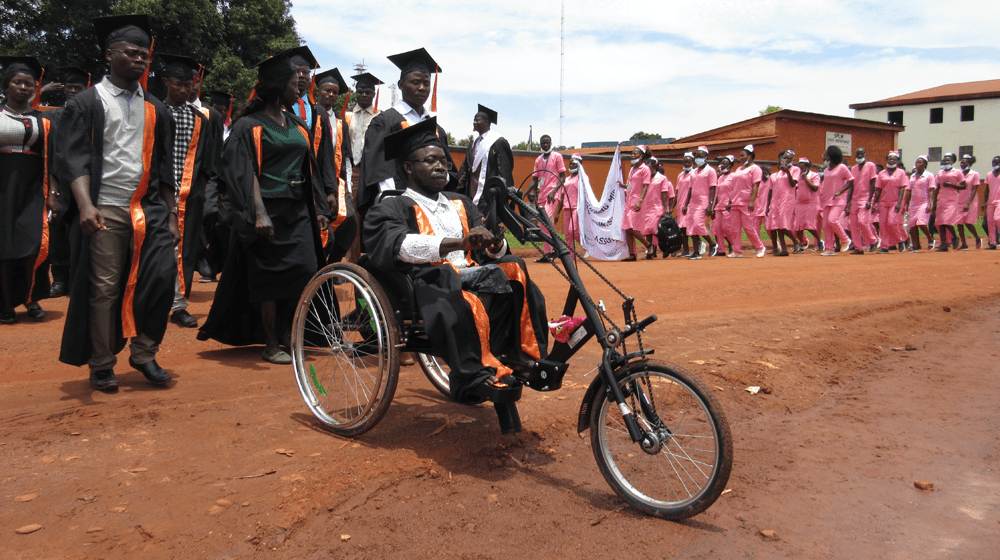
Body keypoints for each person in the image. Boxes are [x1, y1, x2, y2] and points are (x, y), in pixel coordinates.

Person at [363, 117, 548, 432]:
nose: (441, 166)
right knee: (458, 288)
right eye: (430, 160)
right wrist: (458, 243)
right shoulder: (392, 207)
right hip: (430, 280)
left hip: (471, 272)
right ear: (408, 167)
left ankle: (523, 355)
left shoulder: (459, 202)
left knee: (514, 266)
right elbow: (400, 246)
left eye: (443, 160)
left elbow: (486, 252)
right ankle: (473, 374)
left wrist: (495, 242)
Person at [56, 15, 177, 391]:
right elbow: (73, 159)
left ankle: (143, 353)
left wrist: (171, 214)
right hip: (105, 208)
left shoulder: (157, 108)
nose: (140, 59)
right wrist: (85, 205)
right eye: (131, 52)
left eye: (145, 54)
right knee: (105, 287)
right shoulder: (86, 103)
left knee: (161, 277)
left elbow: (164, 168)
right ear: (110, 54)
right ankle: (102, 362)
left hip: (149, 207)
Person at [197, 51, 332, 364]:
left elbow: (307, 169)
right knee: (268, 280)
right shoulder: (249, 126)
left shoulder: (297, 124)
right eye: (293, 80)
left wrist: (321, 209)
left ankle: (288, 332)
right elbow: (245, 173)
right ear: (275, 85)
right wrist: (258, 212)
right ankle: (271, 342)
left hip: (297, 212)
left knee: (304, 269)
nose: (300, 83)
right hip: (266, 212)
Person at [358, 48, 457, 217]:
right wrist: (393, 204)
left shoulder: (436, 129)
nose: (422, 88)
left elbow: (449, 170)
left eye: (426, 84)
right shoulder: (385, 122)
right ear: (401, 85)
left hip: (433, 206)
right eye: (416, 82)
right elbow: (380, 172)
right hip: (400, 204)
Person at [157, 54, 217, 329]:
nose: (183, 90)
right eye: (178, 84)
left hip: (188, 193)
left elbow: (206, 162)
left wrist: (199, 195)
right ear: (167, 82)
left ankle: (179, 304)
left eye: (188, 85)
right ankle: (152, 301)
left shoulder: (200, 120)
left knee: (185, 250)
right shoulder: (154, 111)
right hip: (153, 193)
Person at [0, 56, 52, 324]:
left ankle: (31, 298)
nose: (23, 87)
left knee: (33, 244)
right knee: (4, 249)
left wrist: (53, 191)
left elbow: (51, 157)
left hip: (33, 188)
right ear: (7, 86)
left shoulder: (43, 121)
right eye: (17, 82)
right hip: (3, 189)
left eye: (29, 84)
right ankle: (6, 304)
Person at [45, 66, 91, 298]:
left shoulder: (91, 115)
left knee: (80, 233)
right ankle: (60, 279)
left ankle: (76, 280)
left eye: (79, 87)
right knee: (58, 234)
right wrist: (52, 189)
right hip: (59, 182)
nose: (74, 91)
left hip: (83, 183)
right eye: (70, 87)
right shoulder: (50, 117)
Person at [311, 66, 357, 263]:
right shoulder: (311, 115)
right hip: (315, 176)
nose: (330, 94)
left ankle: (334, 260)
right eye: (326, 90)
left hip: (337, 178)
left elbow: (345, 154)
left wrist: (347, 183)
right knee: (321, 220)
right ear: (317, 91)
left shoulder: (340, 122)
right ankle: (318, 261)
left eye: (334, 92)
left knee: (351, 220)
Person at [456, 104, 513, 235]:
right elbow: (465, 169)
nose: (474, 122)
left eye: (477, 120)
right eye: (474, 120)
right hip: (471, 195)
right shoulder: (473, 144)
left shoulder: (497, 142)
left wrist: (503, 197)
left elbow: (504, 170)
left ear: (486, 122)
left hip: (488, 196)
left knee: (491, 232)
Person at [527, 134, 566, 262]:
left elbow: (562, 177)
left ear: (550, 143)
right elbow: (534, 180)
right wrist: (523, 193)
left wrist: (554, 191)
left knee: (546, 220)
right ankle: (549, 253)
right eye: (542, 143)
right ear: (540, 144)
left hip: (552, 194)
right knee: (543, 224)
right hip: (542, 194)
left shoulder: (557, 157)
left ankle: (556, 249)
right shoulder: (538, 160)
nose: (545, 145)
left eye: (547, 142)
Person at [725, 145, 766, 258]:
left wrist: (752, 201)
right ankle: (737, 251)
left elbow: (756, 185)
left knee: (748, 227)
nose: (740, 157)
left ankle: (760, 247)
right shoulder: (739, 169)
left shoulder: (755, 169)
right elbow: (734, 186)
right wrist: (730, 201)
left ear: (750, 156)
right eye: (740, 155)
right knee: (735, 228)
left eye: (743, 155)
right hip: (735, 202)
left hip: (747, 202)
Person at [619, 145, 653, 261]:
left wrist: (640, 201)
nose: (632, 155)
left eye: (635, 153)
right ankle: (632, 254)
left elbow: (645, 186)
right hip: (629, 200)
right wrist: (624, 186)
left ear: (641, 156)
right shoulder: (632, 169)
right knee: (626, 227)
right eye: (632, 153)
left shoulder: (645, 169)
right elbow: (630, 185)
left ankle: (648, 245)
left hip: (638, 200)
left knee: (631, 227)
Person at [683, 146, 717, 258]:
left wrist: (711, 204)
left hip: (704, 201)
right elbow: (690, 189)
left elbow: (713, 188)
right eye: (697, 156)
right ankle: (696, 252)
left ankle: (712, 244)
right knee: (691, 226)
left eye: (701, 156)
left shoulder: (710, 171)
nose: (698, 158)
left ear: (706, 157)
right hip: (693, 201)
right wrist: (686, 204)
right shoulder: (693, 172)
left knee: (698, 224)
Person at [819, 146, 853, 256]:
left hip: (838, 200)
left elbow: (851, 181)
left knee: (832, 220)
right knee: (826, 225)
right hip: (826, 200)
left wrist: (840, 191)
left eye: (826, 153)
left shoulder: (842, 167)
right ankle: (829, 248)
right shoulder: (826, 170)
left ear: (831, 155)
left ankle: (845, 239)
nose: (824, 155)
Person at [872, 151, 908, 253]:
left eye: (894, 159)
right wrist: (875, 203)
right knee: (883, 224)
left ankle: (899, 241)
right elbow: (878, 189)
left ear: (897, 161)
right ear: (887, 160)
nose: (891, 161)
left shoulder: (901, 173)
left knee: (892, 222)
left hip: (895, 201)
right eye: (890, 159)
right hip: (883, 202)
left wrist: (899, 202)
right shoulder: (881, 173)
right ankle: (885, 247)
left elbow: (902, 188)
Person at [900, 155, 936, 252]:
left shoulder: (929, 175)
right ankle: (916, 245)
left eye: (920, 162)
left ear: (925, 165)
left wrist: (931, 203)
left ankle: (930, 238)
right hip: (914, 204)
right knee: (912, 225)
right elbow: (908, 191)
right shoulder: (912, 176)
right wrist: (905, 204)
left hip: (924, 202)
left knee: (921, 222)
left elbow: (932, 190)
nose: (917, 164)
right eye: (917, 162)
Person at [848, 147, 879, 253]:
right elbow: (851, 186)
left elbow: (872, 183)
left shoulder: (871, 166)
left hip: (865, 198)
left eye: (861, 154)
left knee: (863, 222)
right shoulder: (853, 169)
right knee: (853, 225)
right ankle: (858, 247)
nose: (859, 156)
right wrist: (848, 202)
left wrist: (870, 200)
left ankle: (873, 240)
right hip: (855, 199)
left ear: (865, 154)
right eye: (857, 154)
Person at [933, 152, 966, 252]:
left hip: (952, 200)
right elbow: (937, 187)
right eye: (944, 160)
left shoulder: (957, 172)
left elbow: (964, 186)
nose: (946, 162)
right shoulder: (940, 173)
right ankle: (943, 244)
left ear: (952, 162)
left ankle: (955, 237)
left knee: (947, 221)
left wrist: (951, 185)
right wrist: (934, 201)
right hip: (941, 199)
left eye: (948, 160)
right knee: (940, 223)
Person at [641, 158, 674, 258]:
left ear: (655, 166)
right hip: (646, 207)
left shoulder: (662, 178)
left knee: (656, 230)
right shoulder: (644, 177)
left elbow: (664, 193)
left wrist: (666, 208)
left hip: (657, 207)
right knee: (647, 231)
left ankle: (667, 246)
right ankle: (651, 252)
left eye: (649, 167)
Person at [552, 153, 585, 253]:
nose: (571, 166)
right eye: (570, 164)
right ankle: (571, 255)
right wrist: (557, 213)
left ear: (579, 164)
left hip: (576, 208)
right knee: (567, 233)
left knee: (573, 230)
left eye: (574, 164)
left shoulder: (582, 178)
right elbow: (562, 197)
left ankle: (586, 247)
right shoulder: (566, 179)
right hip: (566, 208)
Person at [769, 150, 800, 255]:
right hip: (776, 200)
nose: (785, 160)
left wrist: (788, 172)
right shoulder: (778, 173)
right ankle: (784, 250)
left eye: (788, 158)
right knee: (777, 225)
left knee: (783, 225)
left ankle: (796, 241)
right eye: (784, 158)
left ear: (792, 159)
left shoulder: (795, 169)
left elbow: (793, 184)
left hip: (787, 200)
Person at [792, 158, 822, 252]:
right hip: (800, 202)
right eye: (799, 166)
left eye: (802, 166)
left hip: (811, 202)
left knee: (809, 225)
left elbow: (815, 188)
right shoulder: (797, 176)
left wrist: (806, 179)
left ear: (807, 166)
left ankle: (820, 241)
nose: (801, 168)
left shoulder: (814, 175)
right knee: (798, 225)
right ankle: (800, 246)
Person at [710, 155, 734, 258]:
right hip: (718, 206)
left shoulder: (733, 176)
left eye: (725, 163)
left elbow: (735, 191)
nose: (722, 165)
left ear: (730, 165)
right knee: (717, 229)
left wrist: (731, 203)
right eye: (721, 163)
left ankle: (735, 246)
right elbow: (716, 194)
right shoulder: (719, 177)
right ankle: (721, 249)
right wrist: (713, 208)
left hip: (727, 206)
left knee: (727, 228)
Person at [958, 154, 981, 250]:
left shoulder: (975, 174)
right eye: (961, 162)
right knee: (959, 222)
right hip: (959, 200)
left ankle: (977, 238)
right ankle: (963, 243)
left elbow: (975, 189)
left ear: (969, 163)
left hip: (971, 201)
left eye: (964, 162)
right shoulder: (959, 174)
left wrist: (968, 203)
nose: (962, 164)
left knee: (968, 223)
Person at [675, 152, 695, 256]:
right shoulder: (680, 175)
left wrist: (687, 204)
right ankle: (686, 250)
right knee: (682, 228)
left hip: (690, 204)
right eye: (685, 162)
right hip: (680, 204)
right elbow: (677, 191)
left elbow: (693, 190)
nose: (687, 164)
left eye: (689, 162)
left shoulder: (694, 174)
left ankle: (699, 244)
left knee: (688, 227)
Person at [981, 156, 1000, 250]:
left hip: (999, 201)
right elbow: (986, 189)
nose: (994, 164)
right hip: (991, 201)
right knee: (990, 223)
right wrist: (984, 202)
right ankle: (993, 243)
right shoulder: (989, 174)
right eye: (993, 162)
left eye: (996, 162)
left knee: (997, 218)